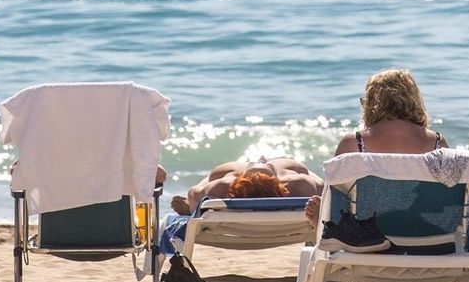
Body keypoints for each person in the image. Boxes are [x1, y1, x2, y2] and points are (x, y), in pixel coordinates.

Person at [305, 68, 447, 221]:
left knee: (332, 204)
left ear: (371, 103)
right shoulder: (438, 142)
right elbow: (446, 196)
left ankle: (321, 225)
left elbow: (334, 199)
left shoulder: (353, 143)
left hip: (367, 236)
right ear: (414, 101)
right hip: (425, 230)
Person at [170, 157, 323, 216]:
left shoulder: (223, 186)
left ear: (238, 181)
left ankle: (191, 204)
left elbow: (193, 193)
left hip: (233, 179)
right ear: (280, 185)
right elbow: (326, 188)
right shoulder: (299, 184)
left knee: (213, 177)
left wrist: (195, 200)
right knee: (302, 169)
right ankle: (268, 166)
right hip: (279, 174)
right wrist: (307, 173)